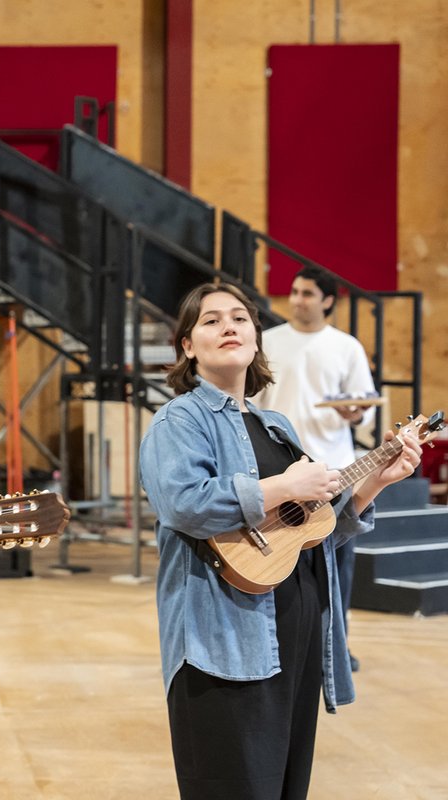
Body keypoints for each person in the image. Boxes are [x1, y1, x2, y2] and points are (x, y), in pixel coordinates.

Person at [139, 283, 421, 800]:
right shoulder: (178, 421)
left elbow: (311, 530)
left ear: (256, 338)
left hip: (296, 629)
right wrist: (285, 485)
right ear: (186, 345)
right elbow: (183, 503)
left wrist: (377, 478)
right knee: (231, 785)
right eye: (212, 320)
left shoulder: (276, 426)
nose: (229, 327)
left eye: (241, 319)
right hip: (222, 640)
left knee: (285, 786)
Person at [254, 266, 378, 672]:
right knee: (271, 559)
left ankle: (335, 647)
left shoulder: (346, 347)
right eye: (293, 291)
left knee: (337, 564)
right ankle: (278, 644)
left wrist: (355, 412)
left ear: (327, 300)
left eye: (307, 293)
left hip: (334, 470)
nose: (296, 299)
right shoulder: (268, 342)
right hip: (280, 470)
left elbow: (363, 408)